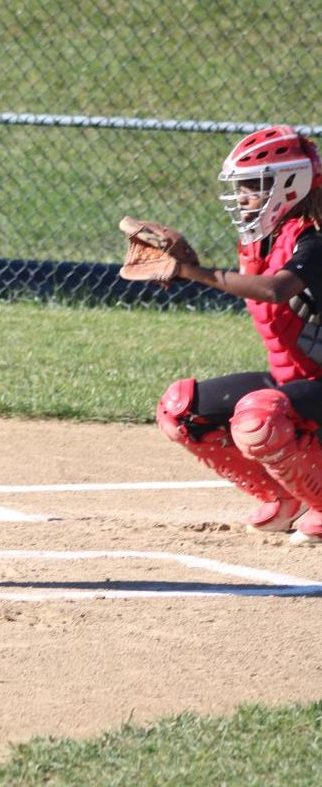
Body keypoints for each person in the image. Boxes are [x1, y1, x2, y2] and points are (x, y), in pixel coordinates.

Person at [155, 124, 322, 543]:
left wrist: (195, 272)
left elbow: (275, 290)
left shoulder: (316, 238)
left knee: (260, 417)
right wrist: (191, 267)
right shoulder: (265, 241)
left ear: (289, 186)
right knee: (181, 410)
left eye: (253, 188)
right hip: (296, 382)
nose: (243, 199)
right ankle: (285, 496)